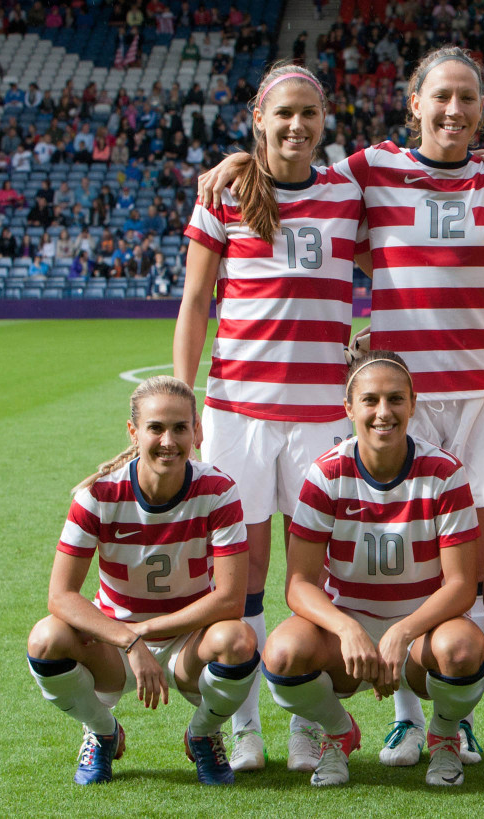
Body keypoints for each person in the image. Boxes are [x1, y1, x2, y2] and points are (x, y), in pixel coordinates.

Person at [197, 45, 484, 771]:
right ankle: (398, 719)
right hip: (402, 395)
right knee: (394, 555)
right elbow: (289, 168)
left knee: (475, 566)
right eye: (440, 96)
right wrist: (235, 162)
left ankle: (449, 715)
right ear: (412, 103)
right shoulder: (367, 170)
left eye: (468, 97)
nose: (454, 109)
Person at [174, 62, 365, 774]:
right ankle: (246, 723)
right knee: (246, 572)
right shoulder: (224, 193)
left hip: (320, 415)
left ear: (324, 120)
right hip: (237, 413)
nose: (296, 126)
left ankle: (309, 724)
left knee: (313, 571)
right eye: (282, 114)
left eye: (308, 114)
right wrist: (182, 393)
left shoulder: (347, 189)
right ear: (259, 117)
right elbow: (196, 301)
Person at [263, 351, 484, 787]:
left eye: (395, 399)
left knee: (462, 650)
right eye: (370, 400)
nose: (383, 412)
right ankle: (337, 732)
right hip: (351, 630)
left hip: (425, 630)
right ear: (349, 408)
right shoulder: (326, 474)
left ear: (413, 403)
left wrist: (403, 632)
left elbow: (462, 586)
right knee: (284, 653)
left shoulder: (445, 473)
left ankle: (443, 738)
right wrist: (347, 629)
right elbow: (299, 584)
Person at [25, 377, 257, 785]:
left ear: (196, 430)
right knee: (45, 640)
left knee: (237, 641)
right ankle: (102, 732)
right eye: (156, 428)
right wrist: (128, 640)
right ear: (133, 432)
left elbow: (230, 601)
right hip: (114, 647)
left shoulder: (218, 491)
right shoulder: (97, 496)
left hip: (189, 640)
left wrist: (145, 631)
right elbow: (60, 596)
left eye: (180, 428)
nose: (169, 440)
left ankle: (203, 735)